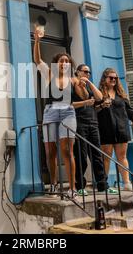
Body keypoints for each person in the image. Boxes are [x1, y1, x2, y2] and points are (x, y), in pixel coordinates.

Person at [33, 25, 80, 198]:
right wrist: (37, 40)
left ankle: (72, 187)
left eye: (67, 61)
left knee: (67, 151)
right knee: (50, 152)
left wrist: (84, 85)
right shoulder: (49, 74)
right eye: (61, 60)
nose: (64, 63)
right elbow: (38, 60)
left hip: (68, 113)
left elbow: (85, 96)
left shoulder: (74, 79)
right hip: (50, 113)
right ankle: (53, 184)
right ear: (57, 63)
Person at [97, 68, 133, 191]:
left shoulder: (121, 95)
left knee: (122, 157)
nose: (113, 80)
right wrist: (102, 105)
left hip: (121, 129)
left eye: (115, 78)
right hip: (106, 129)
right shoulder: (99, 94)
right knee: (106, 157)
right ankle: (104, 184)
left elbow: (131, 112)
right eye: (111, 77)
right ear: (105, 79)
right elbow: (94, 110)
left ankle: (126, 183)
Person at [72, 64, 108, 196]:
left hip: (93, 123)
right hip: (79, 122)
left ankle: (103, 185)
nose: (88, 74)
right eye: (85, 72)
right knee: (81, 155)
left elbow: (99, 98)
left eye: (89, 72)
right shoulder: (73, 84)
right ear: (77, 72)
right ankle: (80, 186)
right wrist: (85, 102)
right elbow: (69, 104)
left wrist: (89, 82)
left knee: (97, 155)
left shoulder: (89, 85)